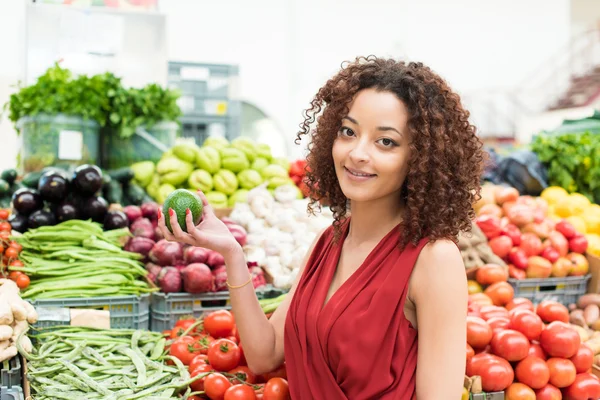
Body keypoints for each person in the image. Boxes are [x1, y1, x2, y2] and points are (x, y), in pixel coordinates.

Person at [158, 56, 485, 399]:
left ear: (420, 159)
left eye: (385, 141)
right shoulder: (328, 243)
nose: (357, 153)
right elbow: (263, 354)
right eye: (348, 131)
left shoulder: (434, 259)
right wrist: (232, 253)